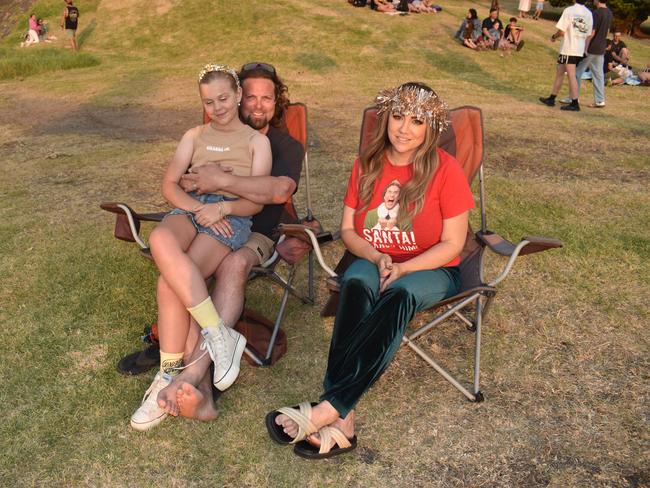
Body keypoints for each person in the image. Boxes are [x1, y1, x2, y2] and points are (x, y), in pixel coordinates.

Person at [266, 82, 475, 459]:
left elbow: (453, 244)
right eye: (397, 116)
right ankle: (343, 421)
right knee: (357, 284)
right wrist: (378, 258)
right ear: (386, 119)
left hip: (432, 267)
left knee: (400, 294)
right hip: (372, 258)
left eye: (417, 120)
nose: (404, 128)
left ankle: (330, 407)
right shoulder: (367, 163)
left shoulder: (446, 170)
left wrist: (405, 267)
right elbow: (349, 230)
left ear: (430, 128)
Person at [128, 62, 304, 429]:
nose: (257, 105)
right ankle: (211, 344)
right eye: (251, 97)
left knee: (217, 269)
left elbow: (275, 191)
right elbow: (173, 183)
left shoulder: (280, 145)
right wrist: (204, 196)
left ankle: (183, 375)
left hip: (249, 229)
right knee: (167, 259)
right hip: (198, 216)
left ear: (275, 101)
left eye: (265, 98)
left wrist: (217, 183)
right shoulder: (198, 134)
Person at [539, 0, 593, 111]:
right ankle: (552, 98)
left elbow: (562, 31)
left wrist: (554, 37)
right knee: (560, 72)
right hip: (578, 48)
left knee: (571, 75)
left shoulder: (569, 10)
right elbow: (588, 33)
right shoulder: (588, 13)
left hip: (569, 48)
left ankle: (574, 102)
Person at [569, 0, 613, 108]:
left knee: (577, 72)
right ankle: (600, 100)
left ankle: (573, 98)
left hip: (592, 48)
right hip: (601, 48)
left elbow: (591, 33)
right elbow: (607, 32)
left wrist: (585, 48)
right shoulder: (609, 13)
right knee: (598, 75)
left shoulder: (597, 13)